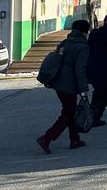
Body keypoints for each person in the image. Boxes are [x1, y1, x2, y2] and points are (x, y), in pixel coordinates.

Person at [37, 20, 90, 153]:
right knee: (68, 113)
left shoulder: (66, 42)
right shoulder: (83, 47)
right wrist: (84, 90)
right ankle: (47, 138)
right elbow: (80, 69)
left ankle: (74, 139)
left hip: (58, 82)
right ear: (85, 31)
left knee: (70, 111)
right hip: (69, 85)